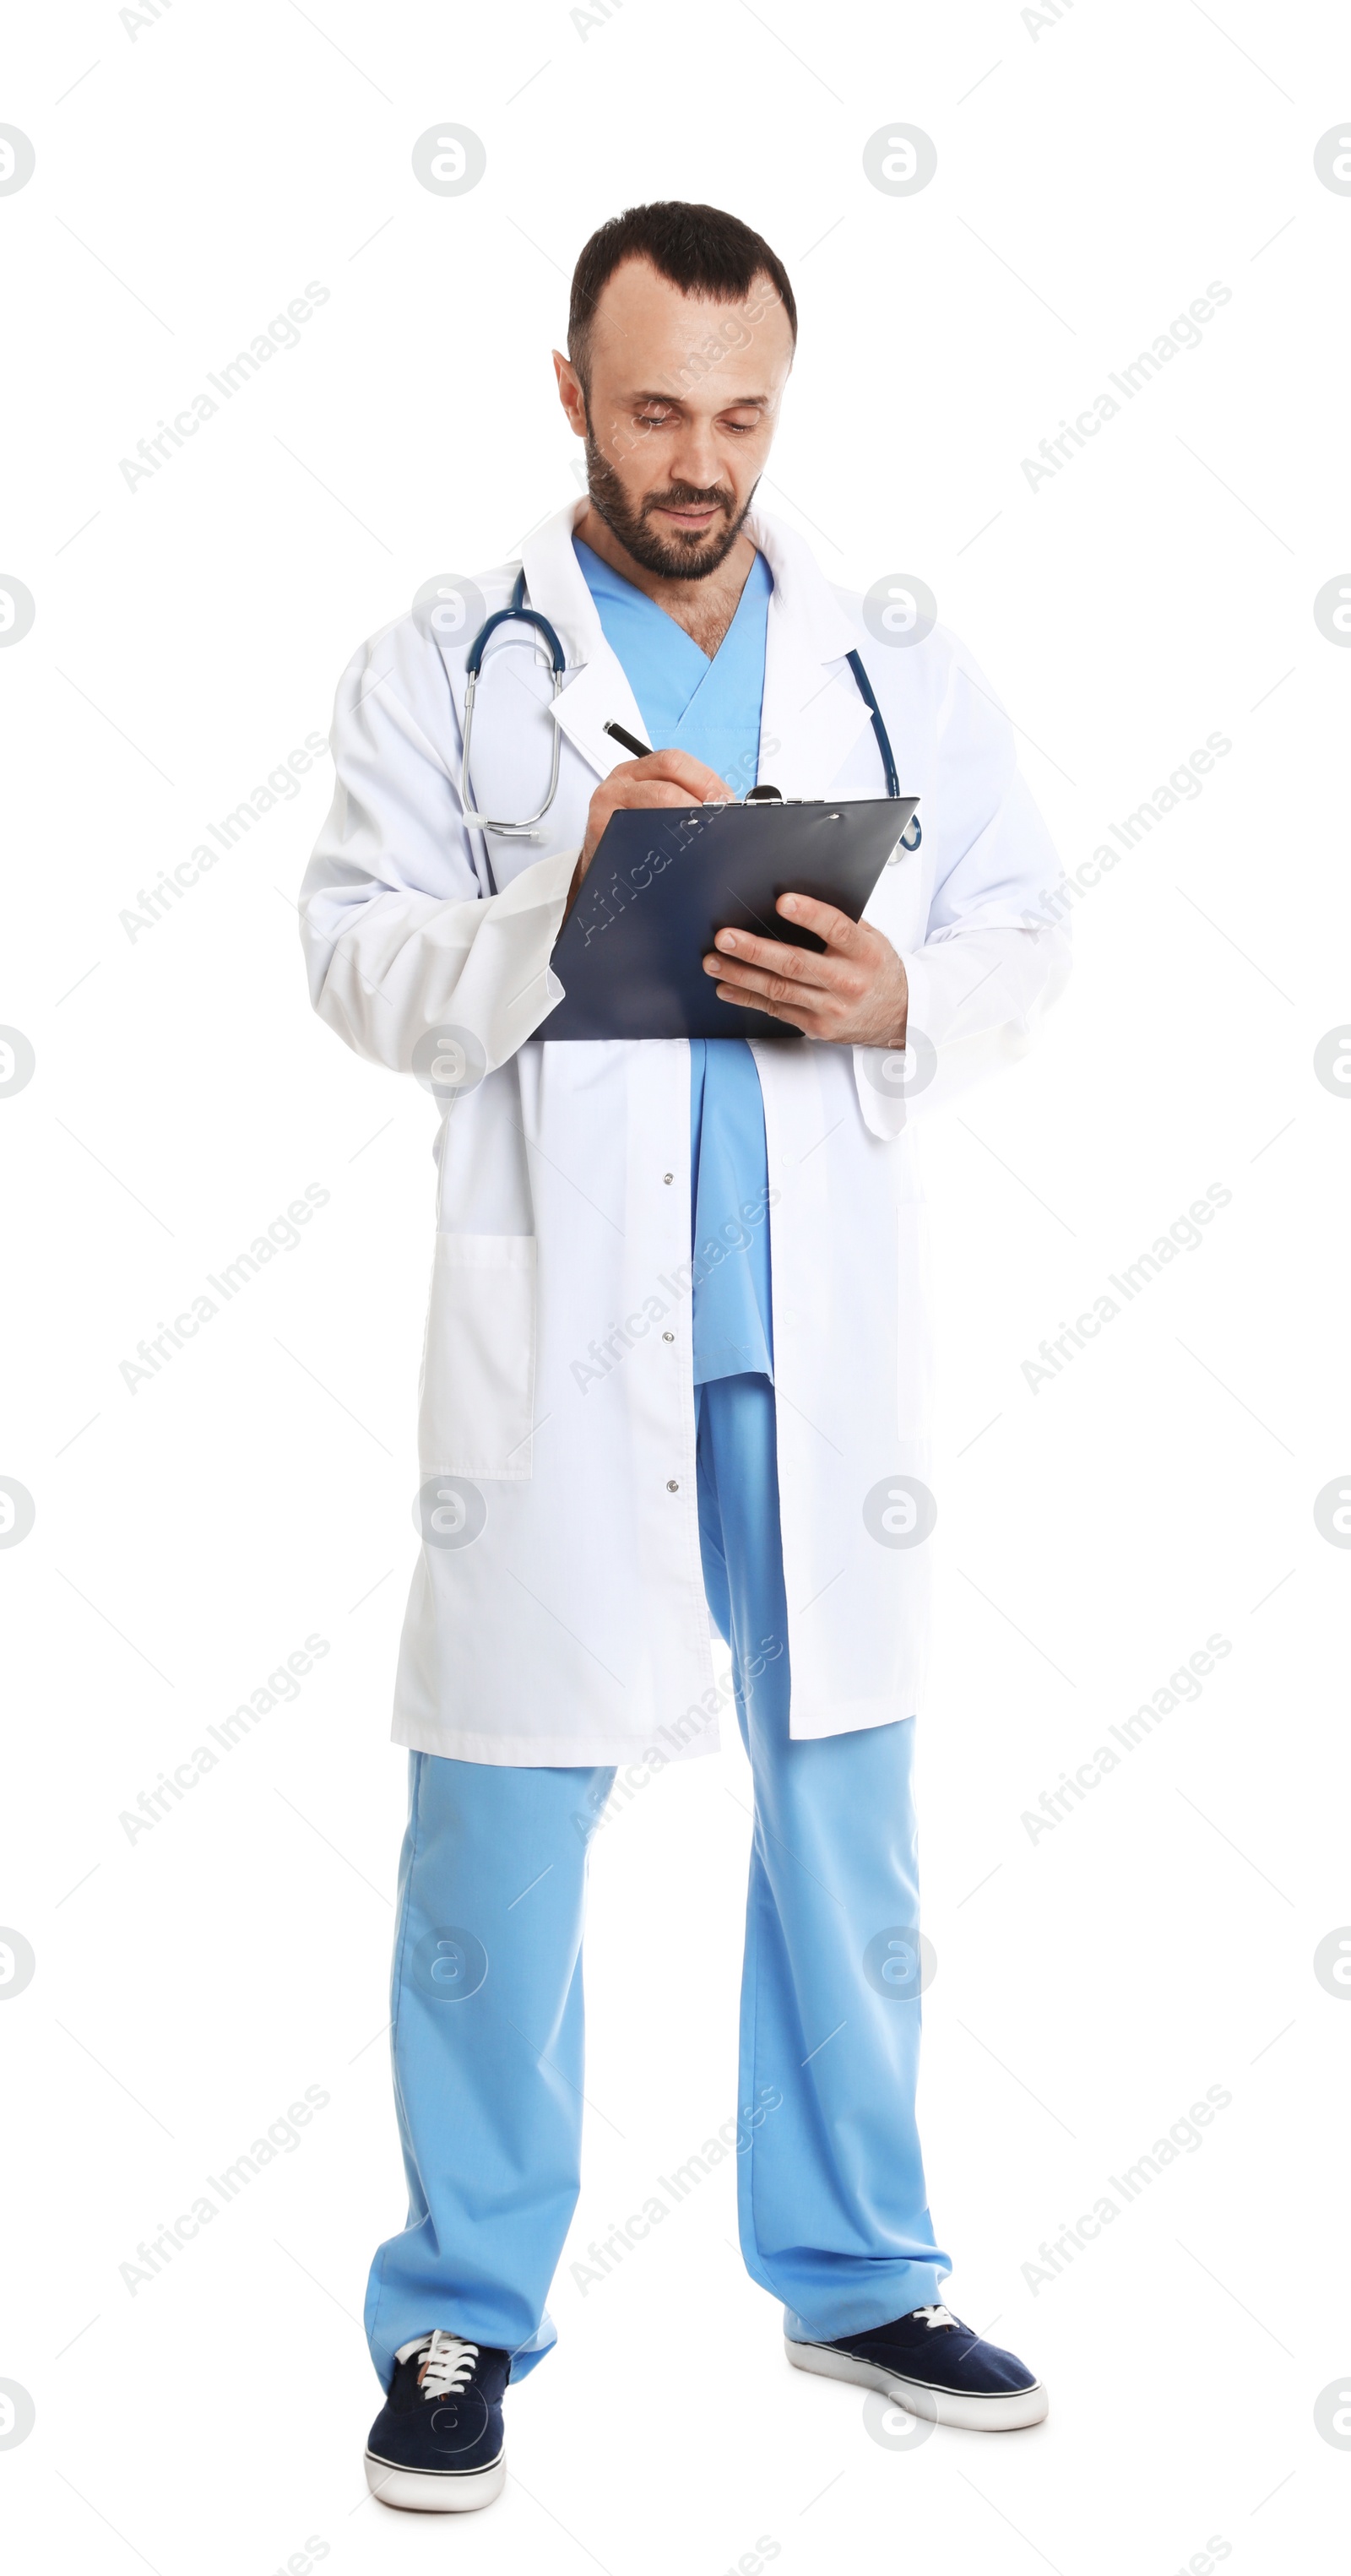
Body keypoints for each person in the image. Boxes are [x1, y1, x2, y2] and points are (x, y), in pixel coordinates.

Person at [300, 199, 1070, 2514]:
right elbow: (355, 963)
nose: (699, 457)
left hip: (807, 1346)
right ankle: (457, 2306)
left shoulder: (882, 660)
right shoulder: (455, 661)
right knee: (501, 1833)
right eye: (654, 409)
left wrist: (903, 992)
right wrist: (560, 901)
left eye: (740, 413)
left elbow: (1025, 918)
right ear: (570, 396)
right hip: (565, 1353)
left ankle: (856, 2269)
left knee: (848, 1821)